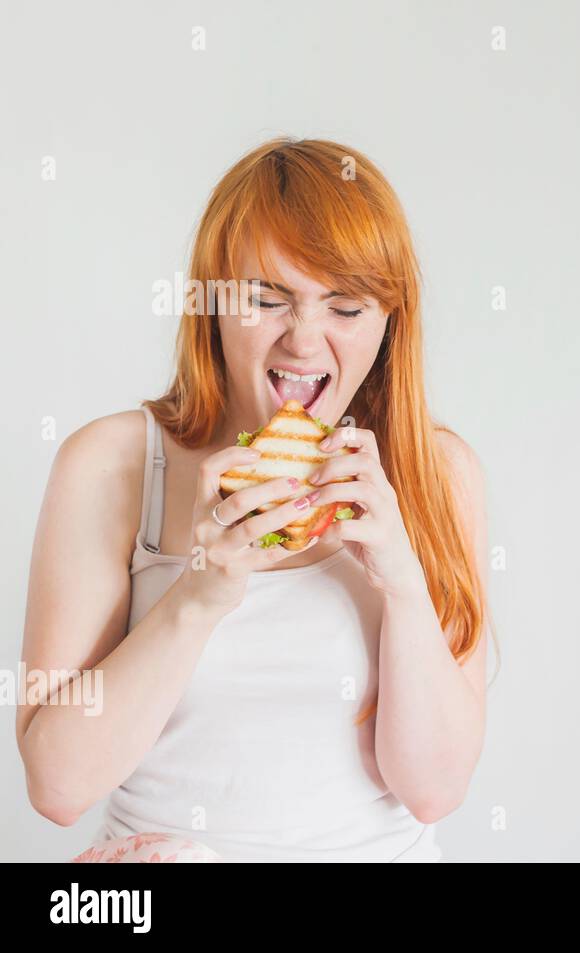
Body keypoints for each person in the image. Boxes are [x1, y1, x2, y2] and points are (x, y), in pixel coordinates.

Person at [18, 138, 491, 862]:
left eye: (345, 305)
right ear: (211, 305)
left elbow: (433, 789)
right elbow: (56, 787)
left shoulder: (437, 473)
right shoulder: (111, 465)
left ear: (389, 319)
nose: (304, 340)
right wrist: (198, 594)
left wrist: (400, 580)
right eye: (266, 299)